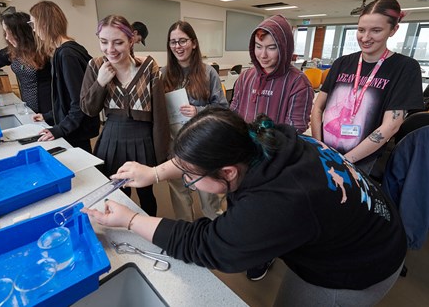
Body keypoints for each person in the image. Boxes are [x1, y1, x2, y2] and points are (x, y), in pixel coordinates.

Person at [84, 108, 406, 306]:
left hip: (362, 262)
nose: (186, 180)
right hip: (373, 221)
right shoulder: (263, 137)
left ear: (228, 173)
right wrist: (154, 172)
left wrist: (131, 221)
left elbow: (207, 245)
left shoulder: (278, 202)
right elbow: (201, 159)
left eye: (190, 178)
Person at [311, 0, 423, 174]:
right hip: (325, 153)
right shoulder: (342, 63)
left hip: (361, 161)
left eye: (376, 31)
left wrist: (345, 161)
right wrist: (319, 148)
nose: (365, 37)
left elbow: (391, 125)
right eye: (361, 30)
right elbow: (318, 107)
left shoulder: (405, 67)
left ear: (393, 30)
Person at [80, 15, 169, 217]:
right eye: (104, 42)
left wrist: (162, 156)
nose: (110, 49)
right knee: (119, 194)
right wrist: (100, 83)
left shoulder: (148, 67)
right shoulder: (95, 66)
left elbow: (160, 115)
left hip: (143, 138)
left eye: (118, 42)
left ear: (131, 40)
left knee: (147, 194)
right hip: (113, 138)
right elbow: (88, 109)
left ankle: (148, 232)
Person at [162, 20, 228, 221]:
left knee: (209, 198)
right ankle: (187, 236)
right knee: (180, 195)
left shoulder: (208, 72)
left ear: (194, 43)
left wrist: (198, 111)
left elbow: (223, 109)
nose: (178, 46)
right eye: (173, 42)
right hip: (175, 145)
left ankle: (215, 236)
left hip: (202, 146)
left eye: (182, 41)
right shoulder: (164, 74)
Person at [29, 1, 100, 152]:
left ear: (44, 24)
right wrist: (48, 116)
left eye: (34, 24)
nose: (34, 30)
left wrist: (60, 129)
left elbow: (79, 102)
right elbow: (65, 100)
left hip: (75, 131)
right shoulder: (67, 50)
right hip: (74, 127)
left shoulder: (67, 55)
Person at [230, 15, 314, 134]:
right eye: (258, 47)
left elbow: (295, 129)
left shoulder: (298, 83)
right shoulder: (246, 76)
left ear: (284, 48)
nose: (263, 55)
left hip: (277, 149)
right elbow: (234, 111)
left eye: (271, 48)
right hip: (245, 146)